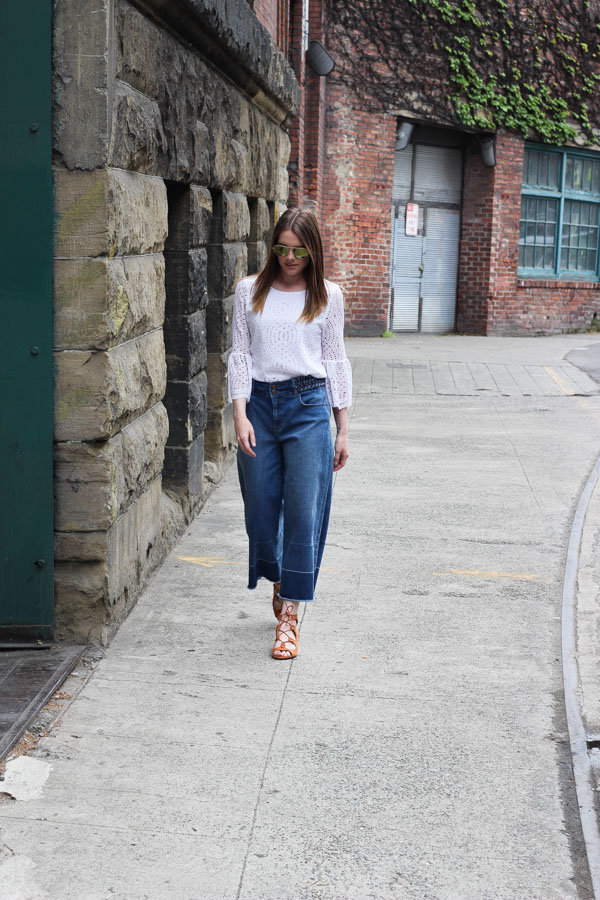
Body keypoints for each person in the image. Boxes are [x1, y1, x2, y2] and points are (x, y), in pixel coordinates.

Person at [227, 207, 352, 660]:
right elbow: (240, 353)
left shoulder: (329, 296)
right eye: (282, 249)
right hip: (259, 405)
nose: (290, 258)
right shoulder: (249, 290)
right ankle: (279, 577)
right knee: (260, 507)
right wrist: (239, 414)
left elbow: (335, 359)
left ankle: (291, 617)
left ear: (313, 251)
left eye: (299, 251)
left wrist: (343, 427)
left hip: (309, 405)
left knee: (304, 511)